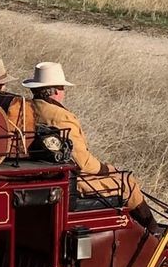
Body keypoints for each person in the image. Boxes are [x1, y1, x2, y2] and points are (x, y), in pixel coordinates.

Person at [23, 61, 151, 223]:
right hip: (70, 180)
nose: (63, 93)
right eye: (62, 88)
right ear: (55, 90)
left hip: (48, 174)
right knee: (128, 183)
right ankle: (153, 231)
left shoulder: (29, 107)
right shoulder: (61, 117)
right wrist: (107, 169)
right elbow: (82, 162)